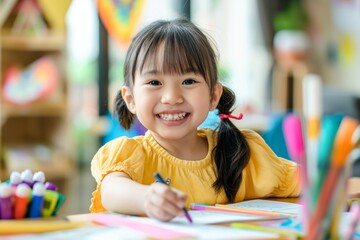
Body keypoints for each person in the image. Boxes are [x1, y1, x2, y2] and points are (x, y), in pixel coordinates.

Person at [90, 18, 301, 222]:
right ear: (130, 98)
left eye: (188, 81)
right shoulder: (130, 155)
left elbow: (309, 183)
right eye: (154, 82)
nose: (171, 97)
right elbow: (111, 190)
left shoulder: (242, 154)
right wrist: (146, 198)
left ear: (213, 96)